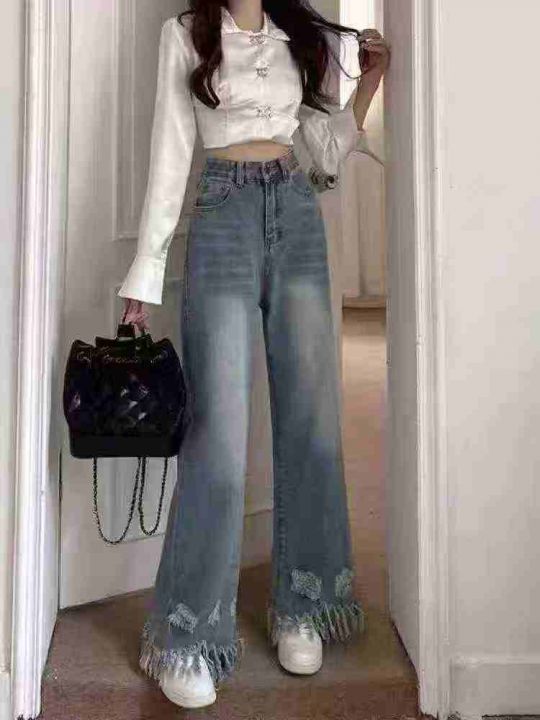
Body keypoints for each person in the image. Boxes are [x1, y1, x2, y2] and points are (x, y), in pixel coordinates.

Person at [118, 0, 390, 709]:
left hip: (296, 213)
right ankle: (188, 635)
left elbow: (320, 151)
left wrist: (369, 83)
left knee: (312, 421)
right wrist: (144, 275)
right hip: (222, 217)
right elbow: (171, 152)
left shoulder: (298, 34)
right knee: (217, 437)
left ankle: (302, 603)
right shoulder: (185, 35)